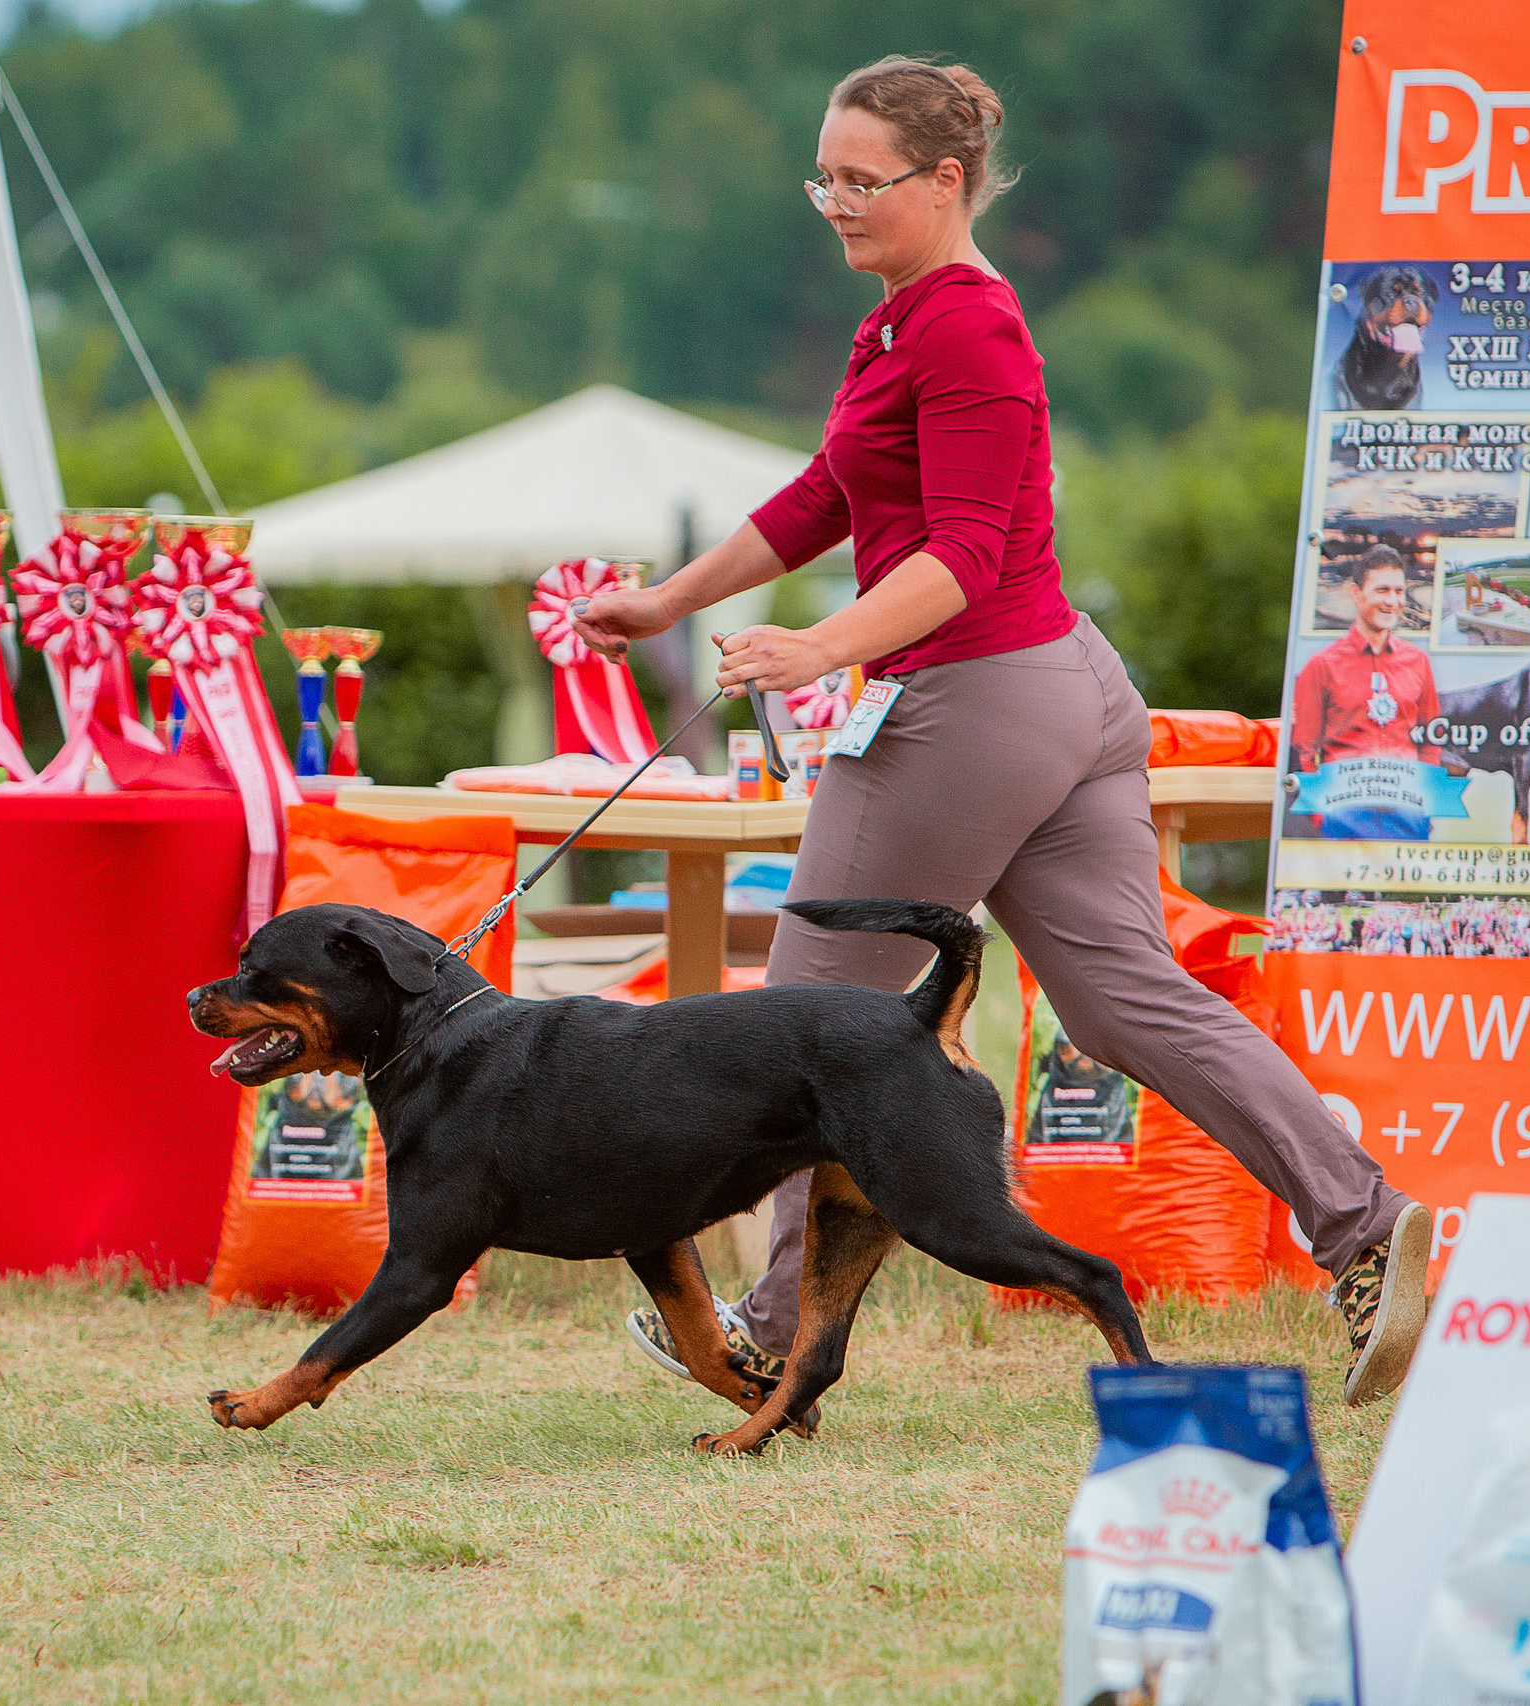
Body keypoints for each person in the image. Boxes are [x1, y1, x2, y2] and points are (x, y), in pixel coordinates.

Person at [569, 55, 1431, 1409]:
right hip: (1058, 689)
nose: (836, 204)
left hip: (971, 699)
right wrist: (670, 600)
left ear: (948, 179)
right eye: (823, 179)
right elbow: (829, 493)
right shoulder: (901, 321)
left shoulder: (967, 329)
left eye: (863, 181)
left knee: (809, 1022)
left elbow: (964, 553)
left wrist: (821, 646)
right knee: (1124, 998)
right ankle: (1366, 1222)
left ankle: (775, 1328)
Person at [1286, 546, 1446, 840]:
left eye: (1399, 591)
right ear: (1356, 593)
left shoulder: (1418, 661)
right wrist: (1320, 815)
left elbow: (1431, 740)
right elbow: (1304, 750)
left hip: (1406, 810)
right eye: (1381, 590)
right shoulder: (1322, 665)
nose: (1392, 601)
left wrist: (1426, 807)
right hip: (1343, 812)